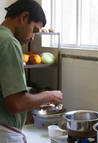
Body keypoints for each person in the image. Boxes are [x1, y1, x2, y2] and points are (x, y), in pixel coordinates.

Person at [0, 0, 63, 142]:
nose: (32, 37)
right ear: (23, 18)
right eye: (34, 29)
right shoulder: (9, 42)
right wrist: (49, 95)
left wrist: (35, 101)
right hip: (4, 132)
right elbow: (16, 104)